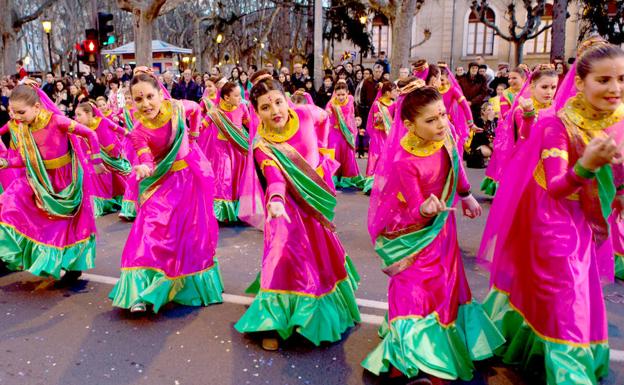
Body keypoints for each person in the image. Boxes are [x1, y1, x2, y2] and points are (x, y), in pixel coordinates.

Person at [479, 38, 624, 385]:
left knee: (572, 293)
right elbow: (558, 186)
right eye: (603, 80)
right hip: (553, 219)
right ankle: (570, 377)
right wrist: (586, 166)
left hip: (588, 222)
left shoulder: (618, 121)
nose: (614, 88)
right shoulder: (557, 125)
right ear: (581, 82)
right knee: (569, 291)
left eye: (621, 79)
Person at [363, 79, 503, 382]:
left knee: (443, 286)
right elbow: (415, 206)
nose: (441, 123)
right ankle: (412, 358)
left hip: (443, 228)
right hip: (414, 232)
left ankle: (441, 347)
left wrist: (465, 195)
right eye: (431, 119)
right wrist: (425, 209)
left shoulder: (447, 135)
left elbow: (456, 164)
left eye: (443, 114)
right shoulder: (403, 159)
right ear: (410, 124)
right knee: (412, 289)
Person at [235, 77, 360, 351]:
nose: (275, 110)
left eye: (278, 102)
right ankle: (273, 322)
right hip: (284, 208)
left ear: (286, 99)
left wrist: (324, 156)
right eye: (265, 107)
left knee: (317, 254)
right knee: (282, 254)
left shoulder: (304, 114)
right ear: (256, 113)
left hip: (313, 197)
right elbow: (274, 175)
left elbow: (324, 118)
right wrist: (276, 199)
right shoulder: (262, 145)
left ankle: (311, 317)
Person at [108, 68, 223, 313]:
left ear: (160, 93)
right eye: (138, 99)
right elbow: (146, 158)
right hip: (162, 183)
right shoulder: (139, 131)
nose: (145, 103)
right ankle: (140, 293)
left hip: (189, 180)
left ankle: (184, 286)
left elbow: (196, 111)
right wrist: (144, 169)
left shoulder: (180, 108)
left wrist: (193, 135)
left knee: (190, 234)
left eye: (149, 96)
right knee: (148, 229)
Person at [0, 82, 104, 282]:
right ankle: (14, 254)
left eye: (21, 112)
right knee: (9, 201)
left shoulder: (57, 121)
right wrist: (6, 162)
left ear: (37, 107)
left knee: (65, 227)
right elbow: (25, 159)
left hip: (66, 181)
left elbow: (90, 133)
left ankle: (73, 266)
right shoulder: (24, 128)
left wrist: (97, 161)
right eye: (13, 112)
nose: (16, 117)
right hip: (39, 179)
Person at [481, 66, 552, 196]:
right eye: (509, 78)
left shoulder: (535, 94)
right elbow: (505, 115)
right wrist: (520, 112)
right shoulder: (506, 94)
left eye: (514, 78)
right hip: (508, 132)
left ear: (524, 78)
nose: (511, 81)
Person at [202, 82, 250, 222]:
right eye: (236, 95)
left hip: (239, 149)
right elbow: (202, 126)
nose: (240, 98)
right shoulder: (215, 112)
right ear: (226, 97)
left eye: (240, 95)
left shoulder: (242, 107)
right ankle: (222, 212)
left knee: (238, 178)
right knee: (224, 177)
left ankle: (240, 211)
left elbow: (250, 125)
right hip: (221, 150)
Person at [74, 102, 131, 216]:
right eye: (76, 115)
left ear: (89, 114)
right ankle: (102, 205)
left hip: (113, 156)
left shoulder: (103, 121)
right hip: (96, 158)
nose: (76, 118)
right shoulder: (81, 129)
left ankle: (125, 198)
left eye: (79, 115)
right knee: (96, 176)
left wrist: (135, 137)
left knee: (120, 176)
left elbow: (119, 130)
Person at [325, 80, 363, 189]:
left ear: (347, 93)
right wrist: (328, 112)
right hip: (335, 131)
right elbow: (326, 113)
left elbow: (350, 115)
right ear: (335, 94)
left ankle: (347, 178)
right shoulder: (331, 103)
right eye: (338, 95)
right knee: (334, 153)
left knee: (348, 154)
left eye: (343, 94)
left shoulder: (350, 99)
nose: (341, 97)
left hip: (347, 131)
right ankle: (334, 178)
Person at [364, 81, 398, 193]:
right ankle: (370, 185)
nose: (396, 93)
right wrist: (378, 119)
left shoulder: (394, 104)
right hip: (378, 135)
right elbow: (373, 121)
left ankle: (383, 184)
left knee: (386, 158)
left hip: (387, 135)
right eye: (394, 91)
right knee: (374, 158)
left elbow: (395, 120)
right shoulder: (377, 104)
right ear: (388, 92)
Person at [465, 102, 496, 168]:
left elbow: (493, 136)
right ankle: (483, 159)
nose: (491, 112)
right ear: (483, 112)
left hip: (486, 144)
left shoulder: (493, 122)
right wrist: (489, 122)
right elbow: (485, 137)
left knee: (496, 146)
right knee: (490, 151)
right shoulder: (478, 121)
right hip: (475, 147)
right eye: (489, 110)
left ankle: (490, 159)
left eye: (492, 109)